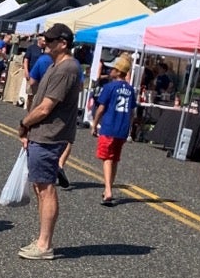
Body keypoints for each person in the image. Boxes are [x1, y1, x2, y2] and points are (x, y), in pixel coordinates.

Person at [17, 23, 81, 260]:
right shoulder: (57, 66)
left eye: (51, 40)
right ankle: (42, 238)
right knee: (40, 187)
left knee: (46, 189)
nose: (45, 43)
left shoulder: (66, 69)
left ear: (63, 44)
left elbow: (45, 108)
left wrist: (25, 123)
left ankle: (45, 244)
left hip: (49, 135)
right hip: (42, 134)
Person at [92, 53, 137, 205]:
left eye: (112, 69)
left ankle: (108, 190)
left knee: (106, 158)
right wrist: (129, 128)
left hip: (109, 126)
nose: (110, 71)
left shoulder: (109, 87)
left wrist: (94, 123)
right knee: (114, 159)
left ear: (118, 72)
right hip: (122, 129)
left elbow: (101, 108)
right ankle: (108, 188)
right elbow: (132, 112)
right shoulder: (130, 90)